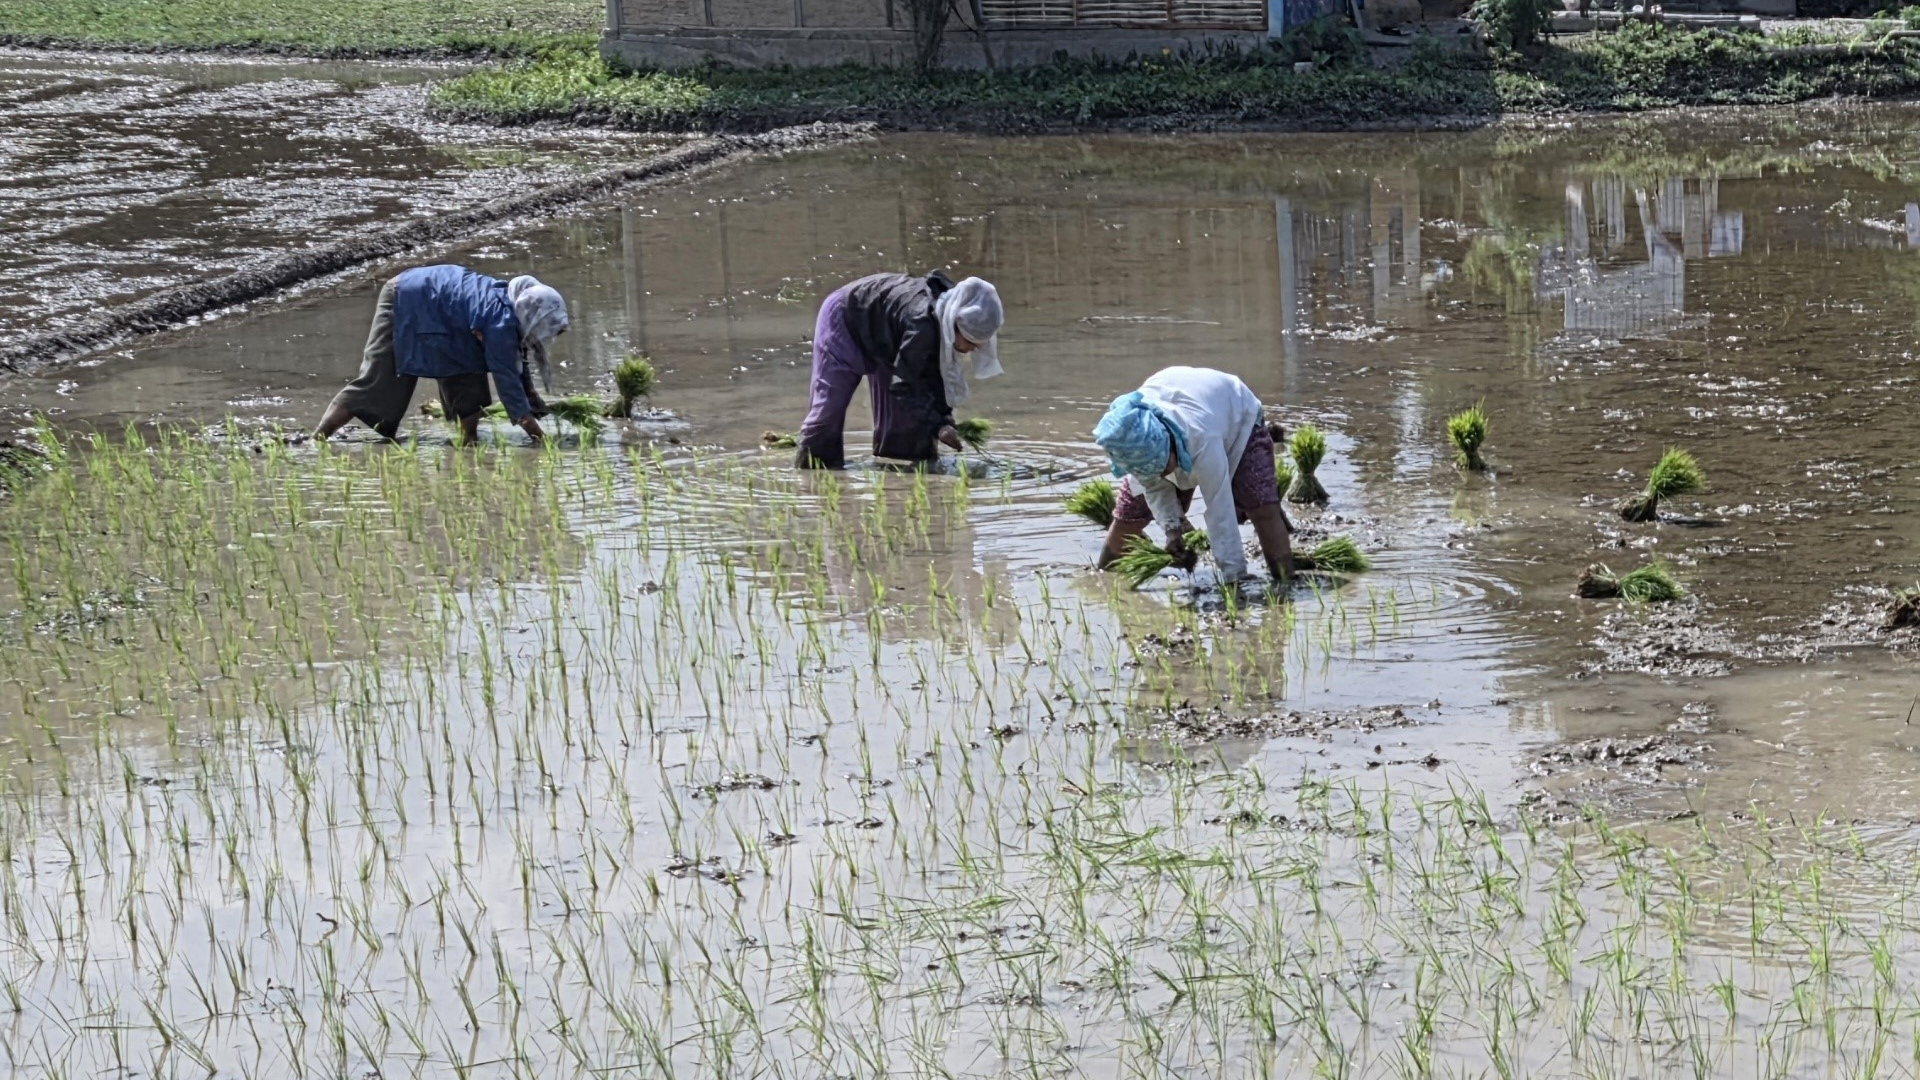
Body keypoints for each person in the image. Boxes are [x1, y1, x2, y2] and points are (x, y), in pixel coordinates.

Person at [315, 265, 569, 444]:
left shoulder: (513, 308)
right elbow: (507, 380)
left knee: (467, 375)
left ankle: (468, 442)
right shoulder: (500, 323)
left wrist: (532, 397)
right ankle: (319, 438)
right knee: (381, 381)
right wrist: (539, 437)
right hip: (406, 299)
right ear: (533, 316)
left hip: (444, 315)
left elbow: (517, 362)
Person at [1092, 366, 1294, 586]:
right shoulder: (1135, 443)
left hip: (1236, 413)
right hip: (1179, 400)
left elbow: (1221, 511)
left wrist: (1235, 579)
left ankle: (1285, 581)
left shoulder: (1203, 441)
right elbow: (1154, 488)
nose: (1164, 475)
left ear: (1170, 445)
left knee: (1261, 506)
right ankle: (1103, 579)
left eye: (1163, 466)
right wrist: (1172, 530)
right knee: (1131, 513)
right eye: (1154, 471)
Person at [795, 270, 1004, 469]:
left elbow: (932, 379)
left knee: (906, 430)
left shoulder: (945, 318)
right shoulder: (922, 325)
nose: (974, 349)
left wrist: (944, 418)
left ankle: (897, 482)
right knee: (827, 416)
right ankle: (811, 483)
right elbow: (905, 387)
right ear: (955, 325)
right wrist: (939, 427)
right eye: (970, 341)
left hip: (888, 336)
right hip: (846, 319)